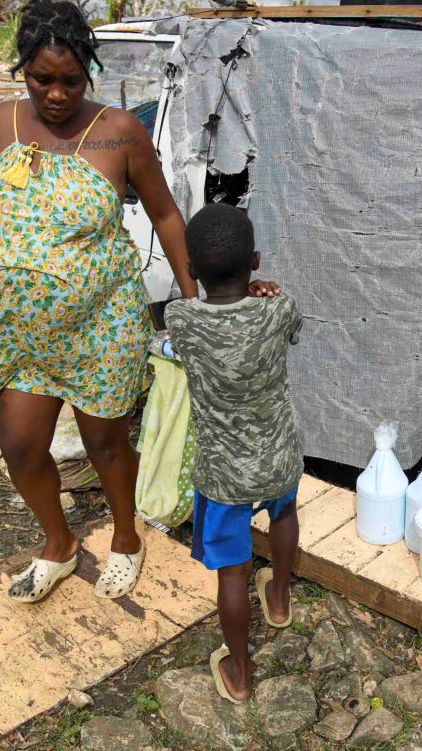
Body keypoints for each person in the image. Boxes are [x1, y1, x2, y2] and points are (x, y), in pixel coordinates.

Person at [0, 0, 279, 604]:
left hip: (101, 324)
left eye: (70, 80)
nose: (55, 94)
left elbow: (166, 214)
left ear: (89, 73)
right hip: (20, 325)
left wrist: (191, 305)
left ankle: (125, 539)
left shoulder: (118, 133)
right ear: (22, 70)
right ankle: (58, 544)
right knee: (21, 446)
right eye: (41, 79)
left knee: (106, 444)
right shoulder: (2, 122)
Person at [164, 204, 303, 704]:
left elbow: (183, 331)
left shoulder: (180, 317)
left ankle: (240, 672)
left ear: (192, 271)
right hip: (279, 457)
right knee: (284, 516)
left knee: (233, 572)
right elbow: (288, 324)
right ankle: (281, 599)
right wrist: (263, 291)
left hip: (224, 476)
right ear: (257, 262)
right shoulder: (279, 308)